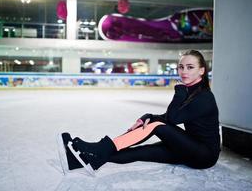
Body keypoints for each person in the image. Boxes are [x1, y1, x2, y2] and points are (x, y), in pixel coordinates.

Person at [57, 49, 220, 176]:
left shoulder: (204, 98)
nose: (184, 71)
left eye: (190, 67)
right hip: (188, 147)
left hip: (204, 156)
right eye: (181, 67)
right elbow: (167, 117)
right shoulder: (191, 92)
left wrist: (179, 92)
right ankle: (82, 160)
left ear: (202, 71)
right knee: (140, 152)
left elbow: (171, 119)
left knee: (157, 126)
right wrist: (147, 117)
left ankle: (98, 148)